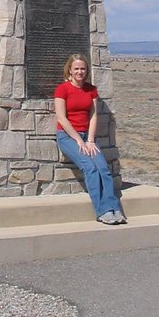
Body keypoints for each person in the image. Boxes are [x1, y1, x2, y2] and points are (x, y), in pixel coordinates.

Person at [54, 53, 126, 225]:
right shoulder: (62, 89)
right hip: (68, 136)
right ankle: (103, 211)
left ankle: (114, 208)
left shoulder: (91, 89)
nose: (80, 72)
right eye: (76, 68)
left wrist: (90, 140)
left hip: (87, 137)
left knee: (103, 168)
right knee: (90, 167)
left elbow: (93, 115)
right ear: (70, 70)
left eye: (83, 69)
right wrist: (79, 140)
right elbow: (61, 118)